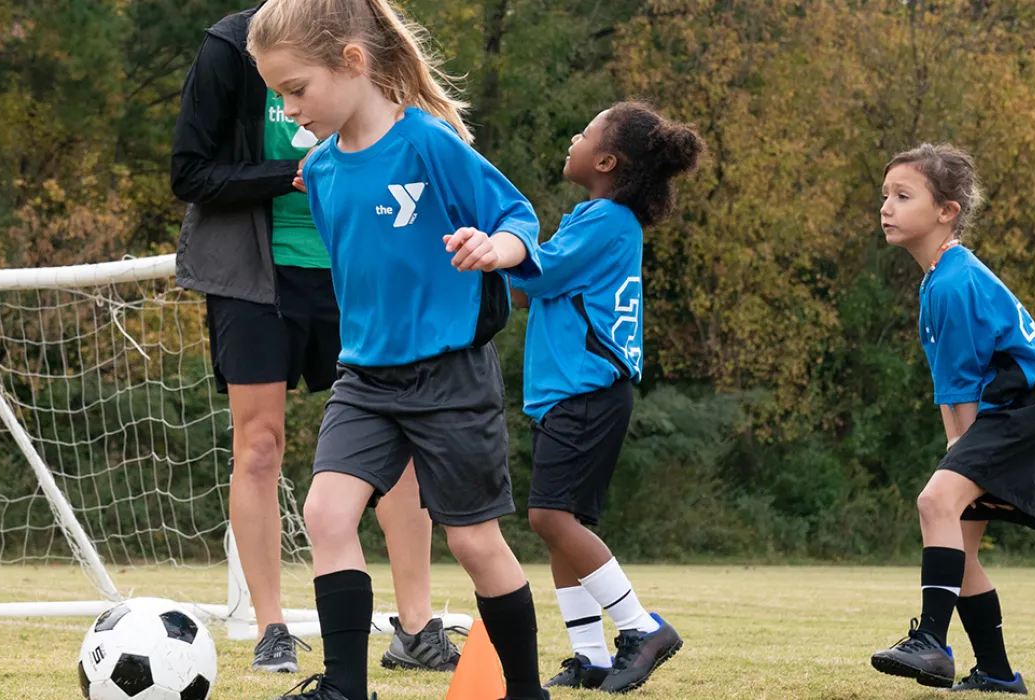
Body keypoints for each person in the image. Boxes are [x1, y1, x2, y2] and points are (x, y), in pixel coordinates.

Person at [247, 0, 553, 697]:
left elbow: (518, 218)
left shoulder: (429, 144)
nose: (289, 110)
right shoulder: (320, 173)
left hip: (449, 375)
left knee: (473, 542)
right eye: (278, 96)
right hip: (365, 379)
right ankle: (345, 688)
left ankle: (526, 692)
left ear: (351, 63)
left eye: (296, 90)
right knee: (325, 513)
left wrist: (492, 247)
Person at [170, 0, 456, 674]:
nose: (293, 102)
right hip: (255, 276)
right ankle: (272, 626)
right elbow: (190, 173)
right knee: (260, 445)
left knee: (402, 441)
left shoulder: (364, 36)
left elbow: (420, 140)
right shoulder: (230, 46)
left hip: (361, 271)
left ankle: (416, 627)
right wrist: (292, 176)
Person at [512, 101, 701, 694]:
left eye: (585, 131)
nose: (574, 136)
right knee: (562, 525)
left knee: (548, 517)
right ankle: (590, 656)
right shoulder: (590, 218)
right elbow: (529, 292)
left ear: (607, 160)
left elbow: (533, 277)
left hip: (585, 394)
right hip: (568, 397)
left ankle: (641, 628)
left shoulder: (607, 221)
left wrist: (490, 244)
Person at [868, 143, 1035, 695]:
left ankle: (931, 642)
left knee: (935, 502)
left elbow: (974, 392)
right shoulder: (937, 278)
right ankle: (999, 675)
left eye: (903, 196)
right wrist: (958, 452)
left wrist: (959, 457)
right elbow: (953, 387)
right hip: (1005, 408)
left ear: (947, 210)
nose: (887, 207)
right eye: (885, 196)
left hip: (1021, 407)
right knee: (960, 547)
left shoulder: (953, 282)